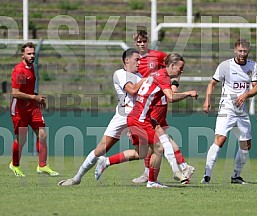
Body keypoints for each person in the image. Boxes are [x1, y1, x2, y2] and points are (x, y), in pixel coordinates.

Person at [94, 53, 198, 188]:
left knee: (141, 153)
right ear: (172, 66)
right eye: (180, 67)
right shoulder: (162, 77)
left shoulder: (157, 74)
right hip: (140, 119)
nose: (181, 70)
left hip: (137, 117)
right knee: (159, 148)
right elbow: (171, 97)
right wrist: (188, 93)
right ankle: (153, 181)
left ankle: (106, 162)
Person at [58, 48, 146, 186]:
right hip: (123, 115)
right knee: (100, 149)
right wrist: (146, 80)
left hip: (137, 117)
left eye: (140, 59)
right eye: (137, 59)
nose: (140, 62)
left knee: (144, 152)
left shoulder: (140, 76)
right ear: (127, 60)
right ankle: (77, 178)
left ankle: (109, 162)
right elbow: (132, 89)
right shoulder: (120, 74)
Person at [132, 30, 195, 184]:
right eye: (138, 42)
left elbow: (174, 69)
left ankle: (159, 173)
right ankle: (180, 167)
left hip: (157, 102)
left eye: (144, 41)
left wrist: (174, 86)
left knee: (156, 137)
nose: (141, 44)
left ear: (148, 42)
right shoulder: (134, 59)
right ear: (135, 43)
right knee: (156, 138)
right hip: (144, 102)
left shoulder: (158, 56)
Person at [201, 39, 257, 184]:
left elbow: (256, 88)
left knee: (246, 145)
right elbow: (212, 83)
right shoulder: (225, 66)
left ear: (248, 51)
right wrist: (207, 100)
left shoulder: (253, 66)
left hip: (242, 112)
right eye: (240, 51)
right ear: (235, 50)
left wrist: (246, 94)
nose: (242, 54)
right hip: (226, 109)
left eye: (245, 51)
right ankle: (207, 175)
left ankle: (235, 176)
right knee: (220, 139)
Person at [9, 42, 59, 177]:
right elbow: (15, 92)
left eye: (33, 54)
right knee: (22, 139)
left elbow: (28, 89)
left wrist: (37, 98)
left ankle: (42, 166)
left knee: (42, 134)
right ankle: (14, 164)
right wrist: (34, 97)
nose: (32, 56)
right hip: (20, 108)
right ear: (22, 55)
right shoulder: (20, 70)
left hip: (32, 106)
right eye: (29, 54)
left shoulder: (31, 67)